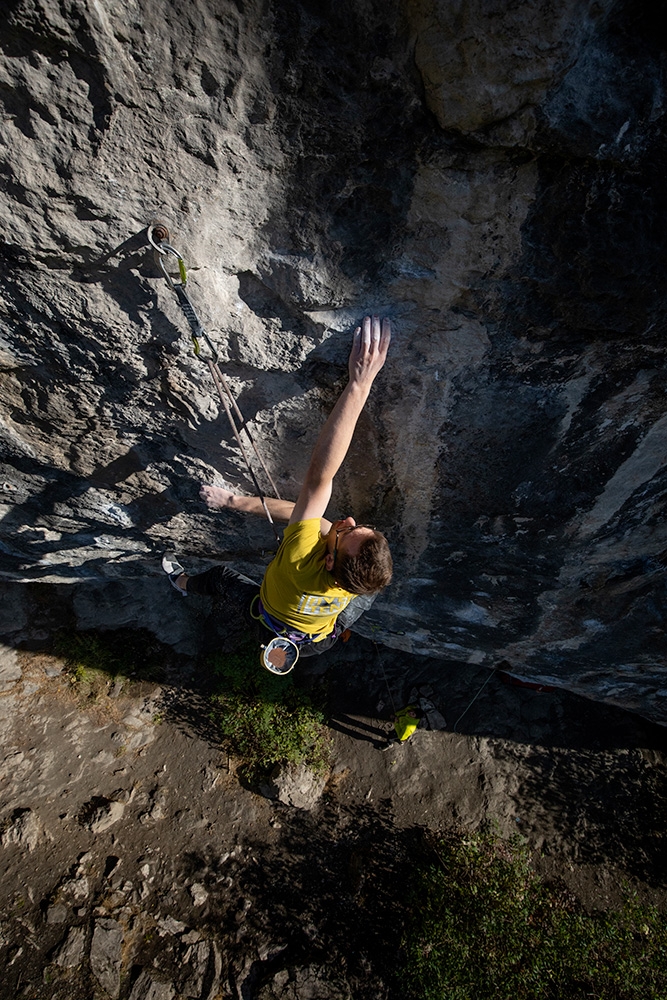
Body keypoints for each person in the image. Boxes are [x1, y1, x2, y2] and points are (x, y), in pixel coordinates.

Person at [163, 315, 393, 657]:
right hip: (319, 640)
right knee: (371, 585)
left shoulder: (301, 562)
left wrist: (359, 383)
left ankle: (179, 583)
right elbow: (310, 520)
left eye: (346, 533)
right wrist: (234, 501)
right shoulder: (355, 576)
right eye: (361, 527)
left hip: (274, 620)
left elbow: (319, 478)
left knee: (221, 579)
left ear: (328, 562)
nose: (348, 521)